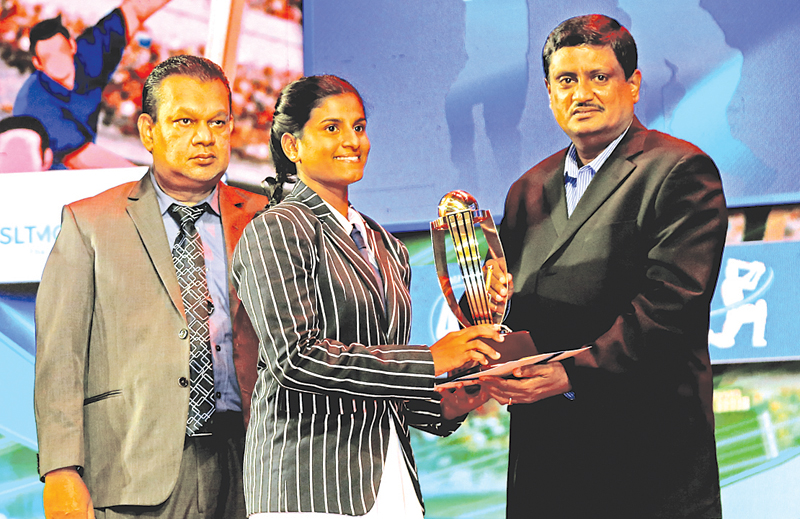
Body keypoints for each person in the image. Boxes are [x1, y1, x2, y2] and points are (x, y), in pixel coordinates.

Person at [478, 15, 728, 518]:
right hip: (546, 462)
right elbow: (512, 312)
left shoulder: (678, 169)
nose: (582, 92)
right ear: (550, 94)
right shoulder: (526, 190)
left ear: (633, 85)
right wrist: (488, 307)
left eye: (600, 77)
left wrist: (570, 373)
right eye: (567, 80)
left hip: (648, 461)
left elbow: (669, 308)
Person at [231, 75, 503, 517]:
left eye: (358, 127)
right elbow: (297, 358)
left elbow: (386, 378)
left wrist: (450, 399)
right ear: (292, 146)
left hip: (391, 480)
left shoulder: (386, 244)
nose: (352, 141)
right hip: (311, 485)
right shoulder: (277, 227)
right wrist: (430, 360)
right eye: (332, 128)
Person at [34, 55, 267, 519]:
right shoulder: (90, 223)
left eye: (218, 122)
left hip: (253, 467)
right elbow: (61, 356)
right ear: (147, 130)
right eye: (184, 121)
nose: (204, 137)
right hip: (132, 468)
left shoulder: (266, 218)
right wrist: (60, 470)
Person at [13, 0, 172, 169]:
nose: (58, 62)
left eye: (61, 51)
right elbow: (81, 158)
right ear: (37, 63)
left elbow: (133, 11)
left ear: (72, 46)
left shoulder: (88, 55)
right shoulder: (34, 103)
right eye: (48, 58)